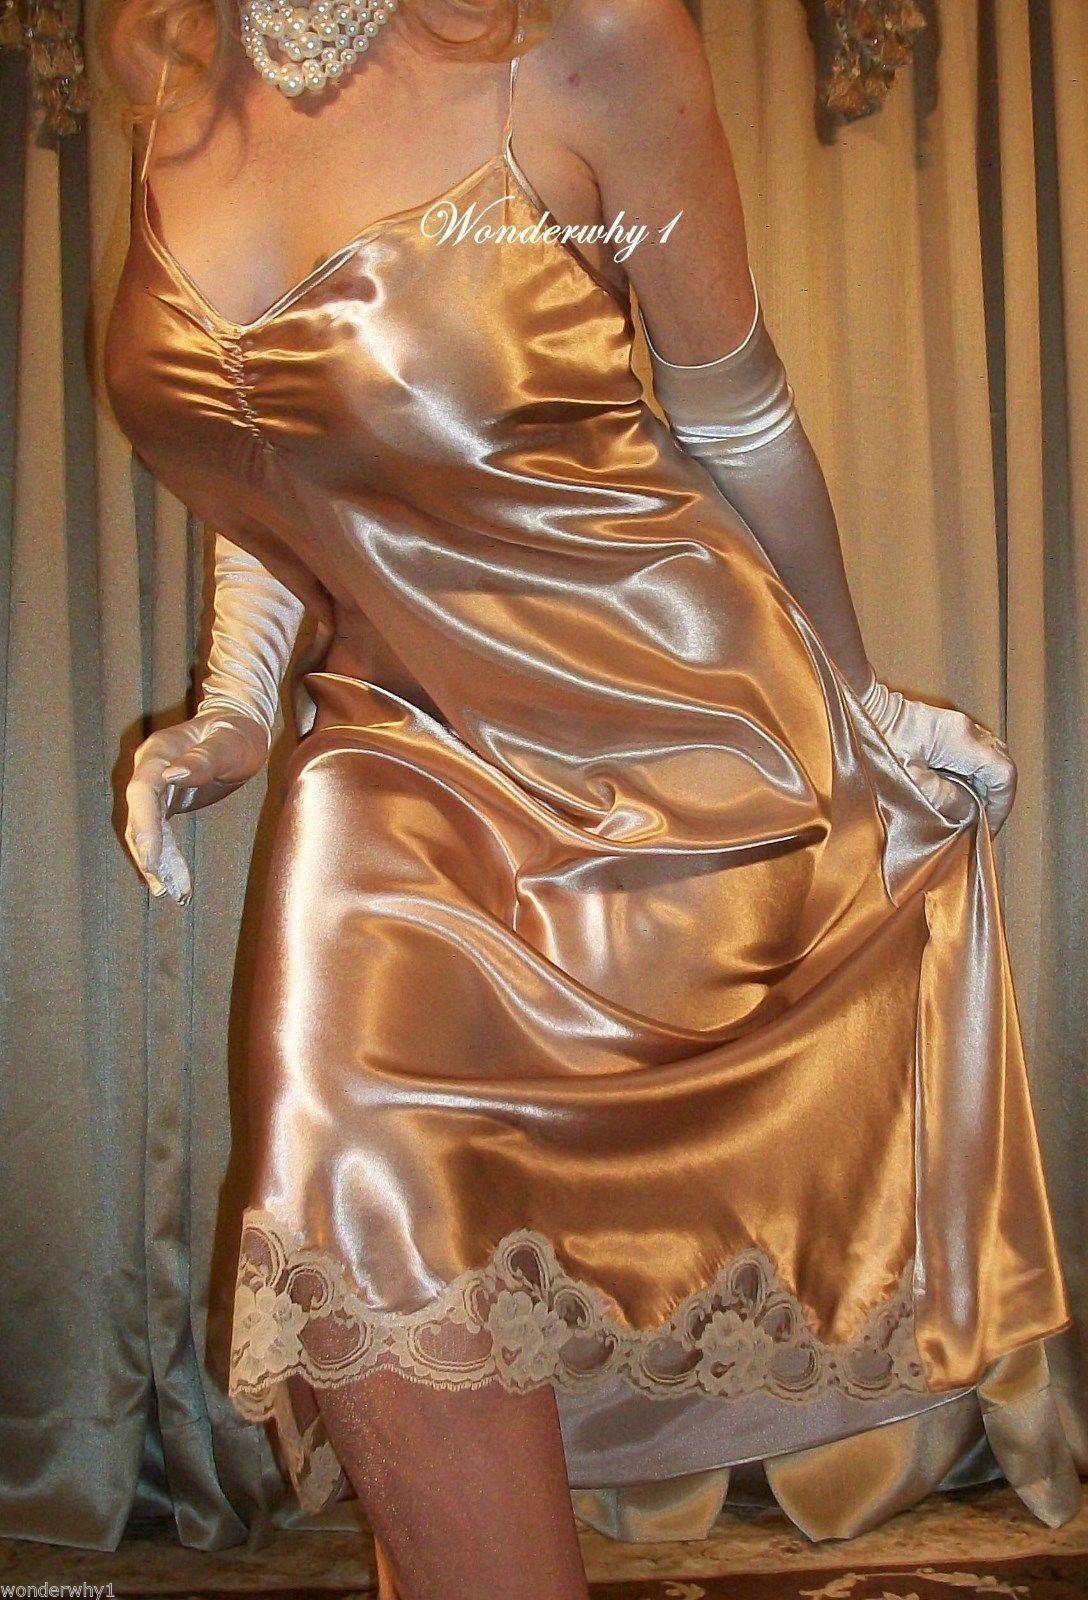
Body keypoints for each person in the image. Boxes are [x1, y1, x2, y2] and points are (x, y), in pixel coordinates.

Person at [101, 0, 1079, 1595]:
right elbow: (280, 458)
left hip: (661, 737)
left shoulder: (589, 39)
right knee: (357, 1206)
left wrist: (861, 694)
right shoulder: (172, 62)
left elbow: (737, 415)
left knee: (423, 1257)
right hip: (392, 754)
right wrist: (229, 707)